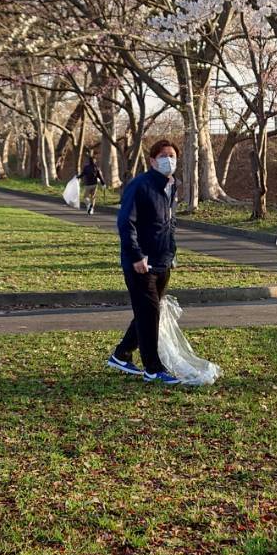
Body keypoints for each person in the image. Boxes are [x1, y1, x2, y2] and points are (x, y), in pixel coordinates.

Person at [107, 140, 183, 384]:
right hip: (141, 264)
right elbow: (125, 223)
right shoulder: (140, 185)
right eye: (163, 155)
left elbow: (168, 224)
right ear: (152, 160)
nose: (168, 160)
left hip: (163, 261)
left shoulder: (172, 186)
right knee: (150, 314)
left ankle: (122, 353)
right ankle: (153, 368)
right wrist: (136, 256)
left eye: (172, 156)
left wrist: (172, 253)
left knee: (147, 312)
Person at [79, 149, 105, 215]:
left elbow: (82, 174)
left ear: (89, 161)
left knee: (85, 197)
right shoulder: (96, 168)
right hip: (95, 184)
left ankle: (89, 205)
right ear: (94, 161)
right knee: (93, 197)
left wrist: (77, 177)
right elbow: (100, 176)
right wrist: (103, 183)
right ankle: (91, 209)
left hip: (88, 185)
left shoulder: (86, 167)